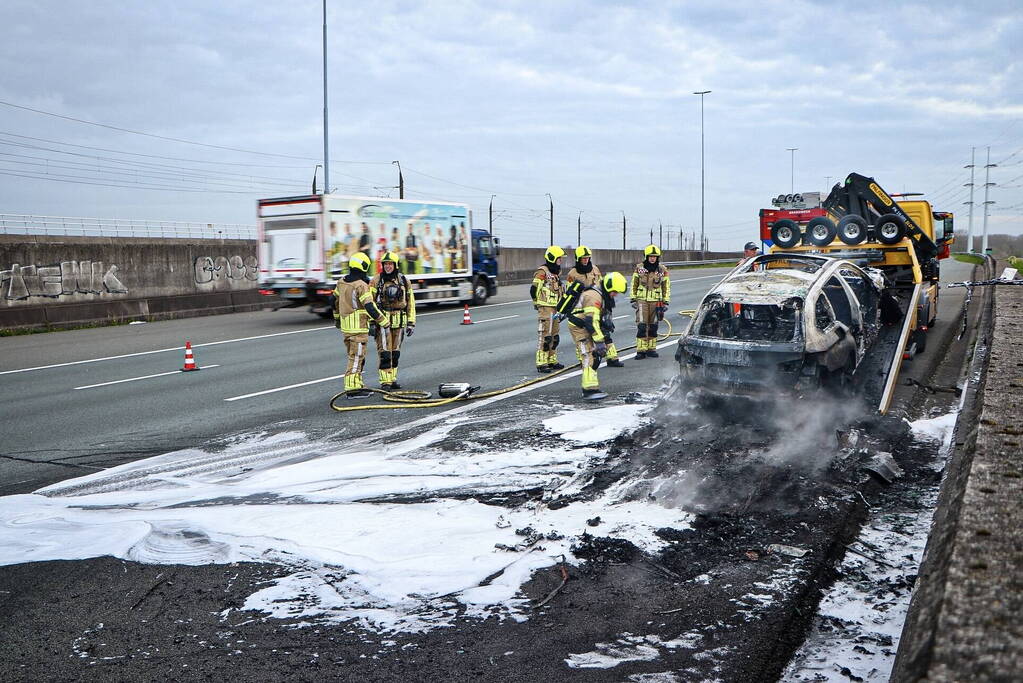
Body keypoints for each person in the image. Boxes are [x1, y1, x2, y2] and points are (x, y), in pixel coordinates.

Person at [332, 252, 387, 399]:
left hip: (346, 328)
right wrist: (383, 321)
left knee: (356, 357)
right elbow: (370, 307)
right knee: (356, 358)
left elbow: (334, 302)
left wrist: (337, 319)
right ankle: (352, 389)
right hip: (358, 328)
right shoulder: (361, 285)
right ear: (364, 267)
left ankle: (357, 384)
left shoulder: (341, 282)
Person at [568, 271, 628, 401]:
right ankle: (589, 390)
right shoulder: (594, 297)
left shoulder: (601, 294)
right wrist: (600, 341)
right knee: (588, 355)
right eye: (615, 292)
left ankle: (592, 387)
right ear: (609, 287)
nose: (615, 295)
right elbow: (591, 322)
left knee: (595, 356)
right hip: (579, 327)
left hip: (585, 324)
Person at [566, 246, 623, 367]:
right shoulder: (572, 274)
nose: (586, 260)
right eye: (583, 258)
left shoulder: (595, 270)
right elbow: (570, 292)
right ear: (578, 259)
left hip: (598, 304)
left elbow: (604, 286)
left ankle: (612, 357)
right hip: (582, 307)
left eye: (587, 258)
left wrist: (607, 305)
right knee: (583, 337)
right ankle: (584, 359)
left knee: (605, 331)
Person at [369, 251, 416, 390]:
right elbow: (369, 303)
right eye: (385, 264)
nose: (388, 267)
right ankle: (385, 382)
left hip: (399, 323)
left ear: (396, 265)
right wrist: (372, 322)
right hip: (383, 323)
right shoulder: (376, 281)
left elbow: (410, 302)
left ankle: (393, 378)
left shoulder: (404, 281)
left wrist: (411, 322)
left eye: (390, 264)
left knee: (395, 353)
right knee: (385, 353)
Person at [630, 244, 671, 359]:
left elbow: (666, 286)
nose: (652, 258)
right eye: (650, 256)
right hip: (642, 301)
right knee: (642, 326)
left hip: (656, 302)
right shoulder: (639, 268)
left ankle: (651, 349)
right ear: (646, 257)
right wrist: (633, 298)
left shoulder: (662, 270)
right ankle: (641, 350)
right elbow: (634, 283)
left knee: (653, 326)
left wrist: (665, 302)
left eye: (655, 256)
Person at [531, 246, 566, 373]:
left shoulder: (556, 273)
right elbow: (534, 289)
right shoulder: (542, 272)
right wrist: (537, 303)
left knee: (554, 336)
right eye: (559, 258)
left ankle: (552, 360)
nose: (560, 261)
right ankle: (541, 362)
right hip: (546, 308)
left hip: (555, 308)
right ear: (552, 258)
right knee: (545, 336)